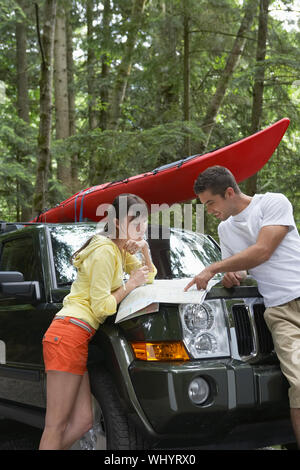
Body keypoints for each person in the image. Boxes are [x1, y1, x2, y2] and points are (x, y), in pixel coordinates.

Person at [184, 165, 300, 447]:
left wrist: (214, 267)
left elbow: (262, 250)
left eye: (211, 202)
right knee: (298, 385)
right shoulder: (225, 230)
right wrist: (231, 276)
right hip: (280, 312)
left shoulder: (272, 203)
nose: (209, 210)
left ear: (229, 192)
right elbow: (240, 268)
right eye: (204, 205)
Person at [39, 193, 156, 450]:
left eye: (143, 222)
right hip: (67, 334)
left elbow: (148, 277)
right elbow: (102, 307)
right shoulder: (104, 251)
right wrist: (129, 285)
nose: (139, 227)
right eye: (133, 221)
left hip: (77, 337)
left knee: (83, 422)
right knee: (55, 425)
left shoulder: (117, 248)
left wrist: (145, 250)